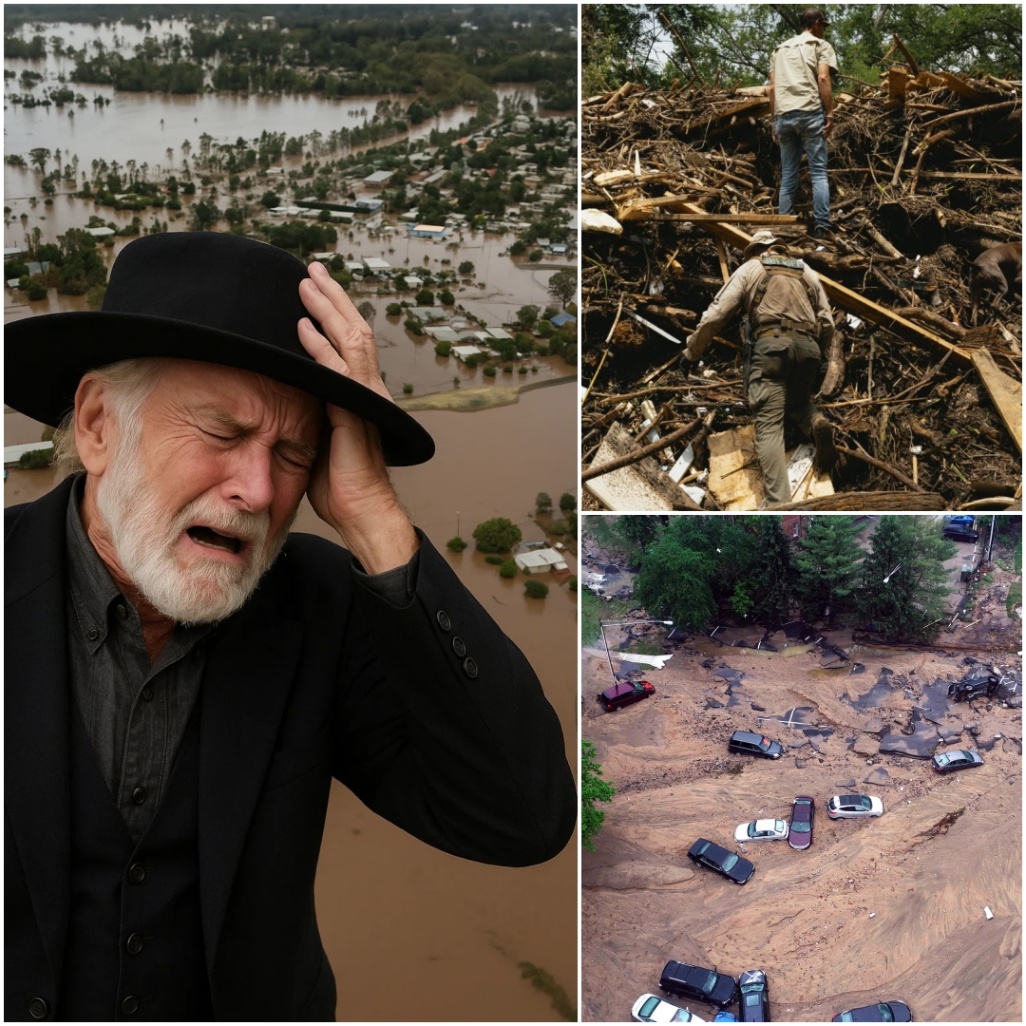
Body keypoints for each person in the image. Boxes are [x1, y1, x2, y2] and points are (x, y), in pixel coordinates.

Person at [5, 231, 576, 1021]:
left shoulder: (318, 609)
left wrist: (375, 517)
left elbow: (523, 818)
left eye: (294, 453)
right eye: (223, 433)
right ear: (100, 425)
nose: (258, 488)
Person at [682, 230, 837, 506]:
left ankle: (779, 504)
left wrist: (692, 352)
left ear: (757, 249)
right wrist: (820, 353)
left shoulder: (751, 268)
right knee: (798, 402)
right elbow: (827, 322)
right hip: (809, 350)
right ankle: (816, 423)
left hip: (772, 350)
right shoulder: (807, 271)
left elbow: (716, 315)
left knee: (769, 425)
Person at [768, 8, 838, 239]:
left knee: (789, 174)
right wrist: (830, 113)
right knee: (818, 173)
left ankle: (785, 227)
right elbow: (823, 78)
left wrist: (774, 120)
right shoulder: (820, 46)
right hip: (809, 112)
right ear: (816, 24)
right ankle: (822, 227)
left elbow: (772, 87)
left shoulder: (779, 50)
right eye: (824, 26)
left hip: (784, 115)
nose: (825, 31)